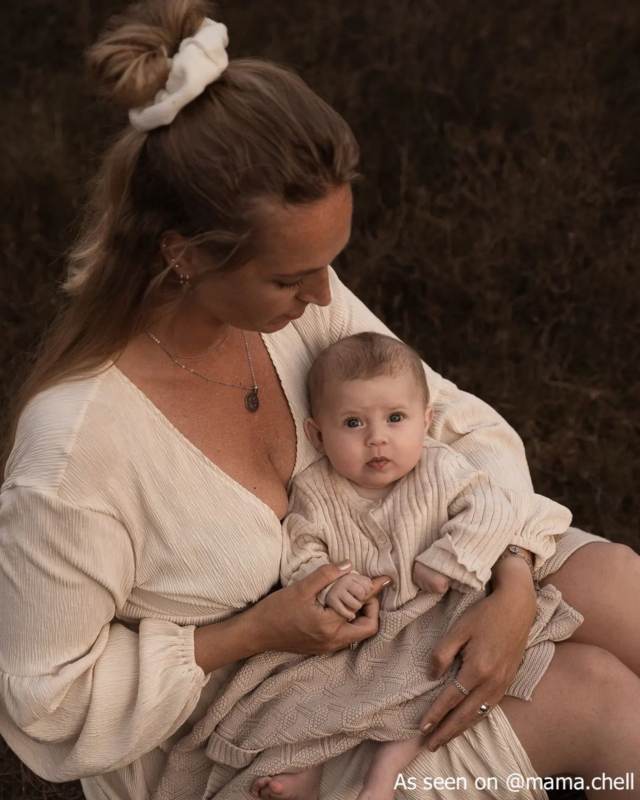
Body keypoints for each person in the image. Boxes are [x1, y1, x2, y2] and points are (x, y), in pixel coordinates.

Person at [0, 2, 639, 799]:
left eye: (328, 261)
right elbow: (47, 699)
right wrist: (252, 630)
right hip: (251, 736)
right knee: (607, 704)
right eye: (288, 276)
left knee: (619, 586)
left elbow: (449, 419)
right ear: (184, 255)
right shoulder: (76, 454)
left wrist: (510, 574)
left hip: (420, 594)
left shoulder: (304, 304)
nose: (324, 293)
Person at [150, 331, 582, 800]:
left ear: (425, 421)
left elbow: (492, 510)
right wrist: (334, 585)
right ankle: (301, 768)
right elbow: (301, 549)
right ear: (318, 435)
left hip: (440, 612)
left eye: (396, 419)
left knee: (440, 678)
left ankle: (389, 768)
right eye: (353, 423)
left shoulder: (441, 468)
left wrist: (452, 556)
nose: (377, 438)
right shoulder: (316, 490)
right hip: (361, 637)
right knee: (305, 693)